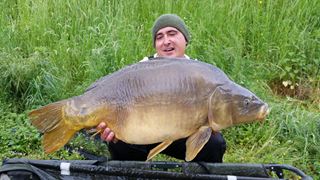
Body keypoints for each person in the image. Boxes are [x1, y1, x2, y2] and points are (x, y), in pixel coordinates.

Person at [97, 14, 226, 162]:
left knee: (215, 143)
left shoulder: (201, 74)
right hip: (145, 133)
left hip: (185, 133)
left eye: (172, 34)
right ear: (155, 45)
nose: (166, 41)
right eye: (159, 37)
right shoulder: (142, 69)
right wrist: (112, 127)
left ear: (185, 39)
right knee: (117, 141)